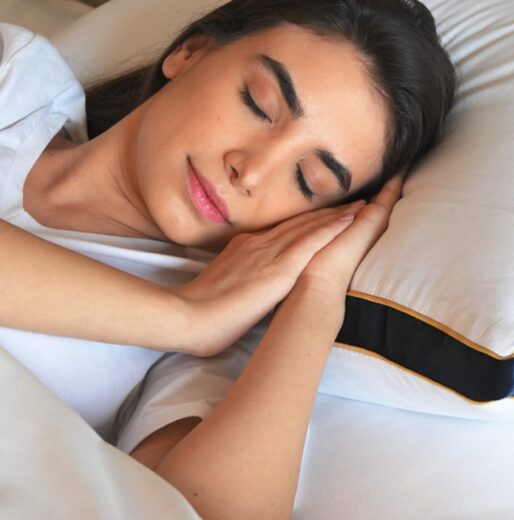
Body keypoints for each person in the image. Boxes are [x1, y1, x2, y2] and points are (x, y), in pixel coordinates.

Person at [0, 0, 456, 517]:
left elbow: (202, 511)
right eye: (259, 105)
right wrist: (186, 317)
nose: (252, 171)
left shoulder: (219, 339)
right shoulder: (17, 81)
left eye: (308, 181)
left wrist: (318, 297)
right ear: (189, 52)